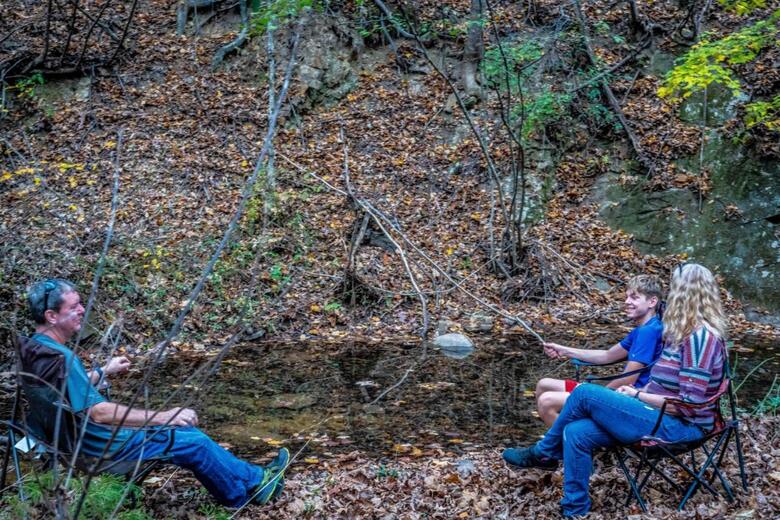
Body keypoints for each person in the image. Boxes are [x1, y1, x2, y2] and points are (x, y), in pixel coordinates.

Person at [22, 279, 288, 508]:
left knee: (189, 436)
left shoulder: (34, 349)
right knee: (192, 442)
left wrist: (104, 372)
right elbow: (99, 413)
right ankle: (243, 495)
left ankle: (255, 481)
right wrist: (164, 416)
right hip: (100, 450)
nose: (82, 310)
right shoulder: (64, 357)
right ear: (51, 316)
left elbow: (64, 390)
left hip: (69, 445)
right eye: (74, 307)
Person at [502, 263, 728, 518]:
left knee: (585, 393)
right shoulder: (680, 333)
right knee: (576, 431)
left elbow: (689, 404)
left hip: (681, 426)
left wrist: (637, 395)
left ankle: (544, 453)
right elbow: (611, 356)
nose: (670, 295)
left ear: (686, 293)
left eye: (674, 288)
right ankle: (574, 510)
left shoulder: (700, 339)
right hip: (657, 414)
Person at [535, 275, 664, 426]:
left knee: (547, 401)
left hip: (631, 400)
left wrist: (596, 396)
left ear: (652, 302)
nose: (627, 302)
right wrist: (564, 350)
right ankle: (570, 436)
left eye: (634, 298)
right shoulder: (645, 328)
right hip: (620, 394)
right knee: (544, 384)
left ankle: (567, 442)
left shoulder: (647, 332)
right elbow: (607, 355)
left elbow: (629, 379)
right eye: (627, 297)